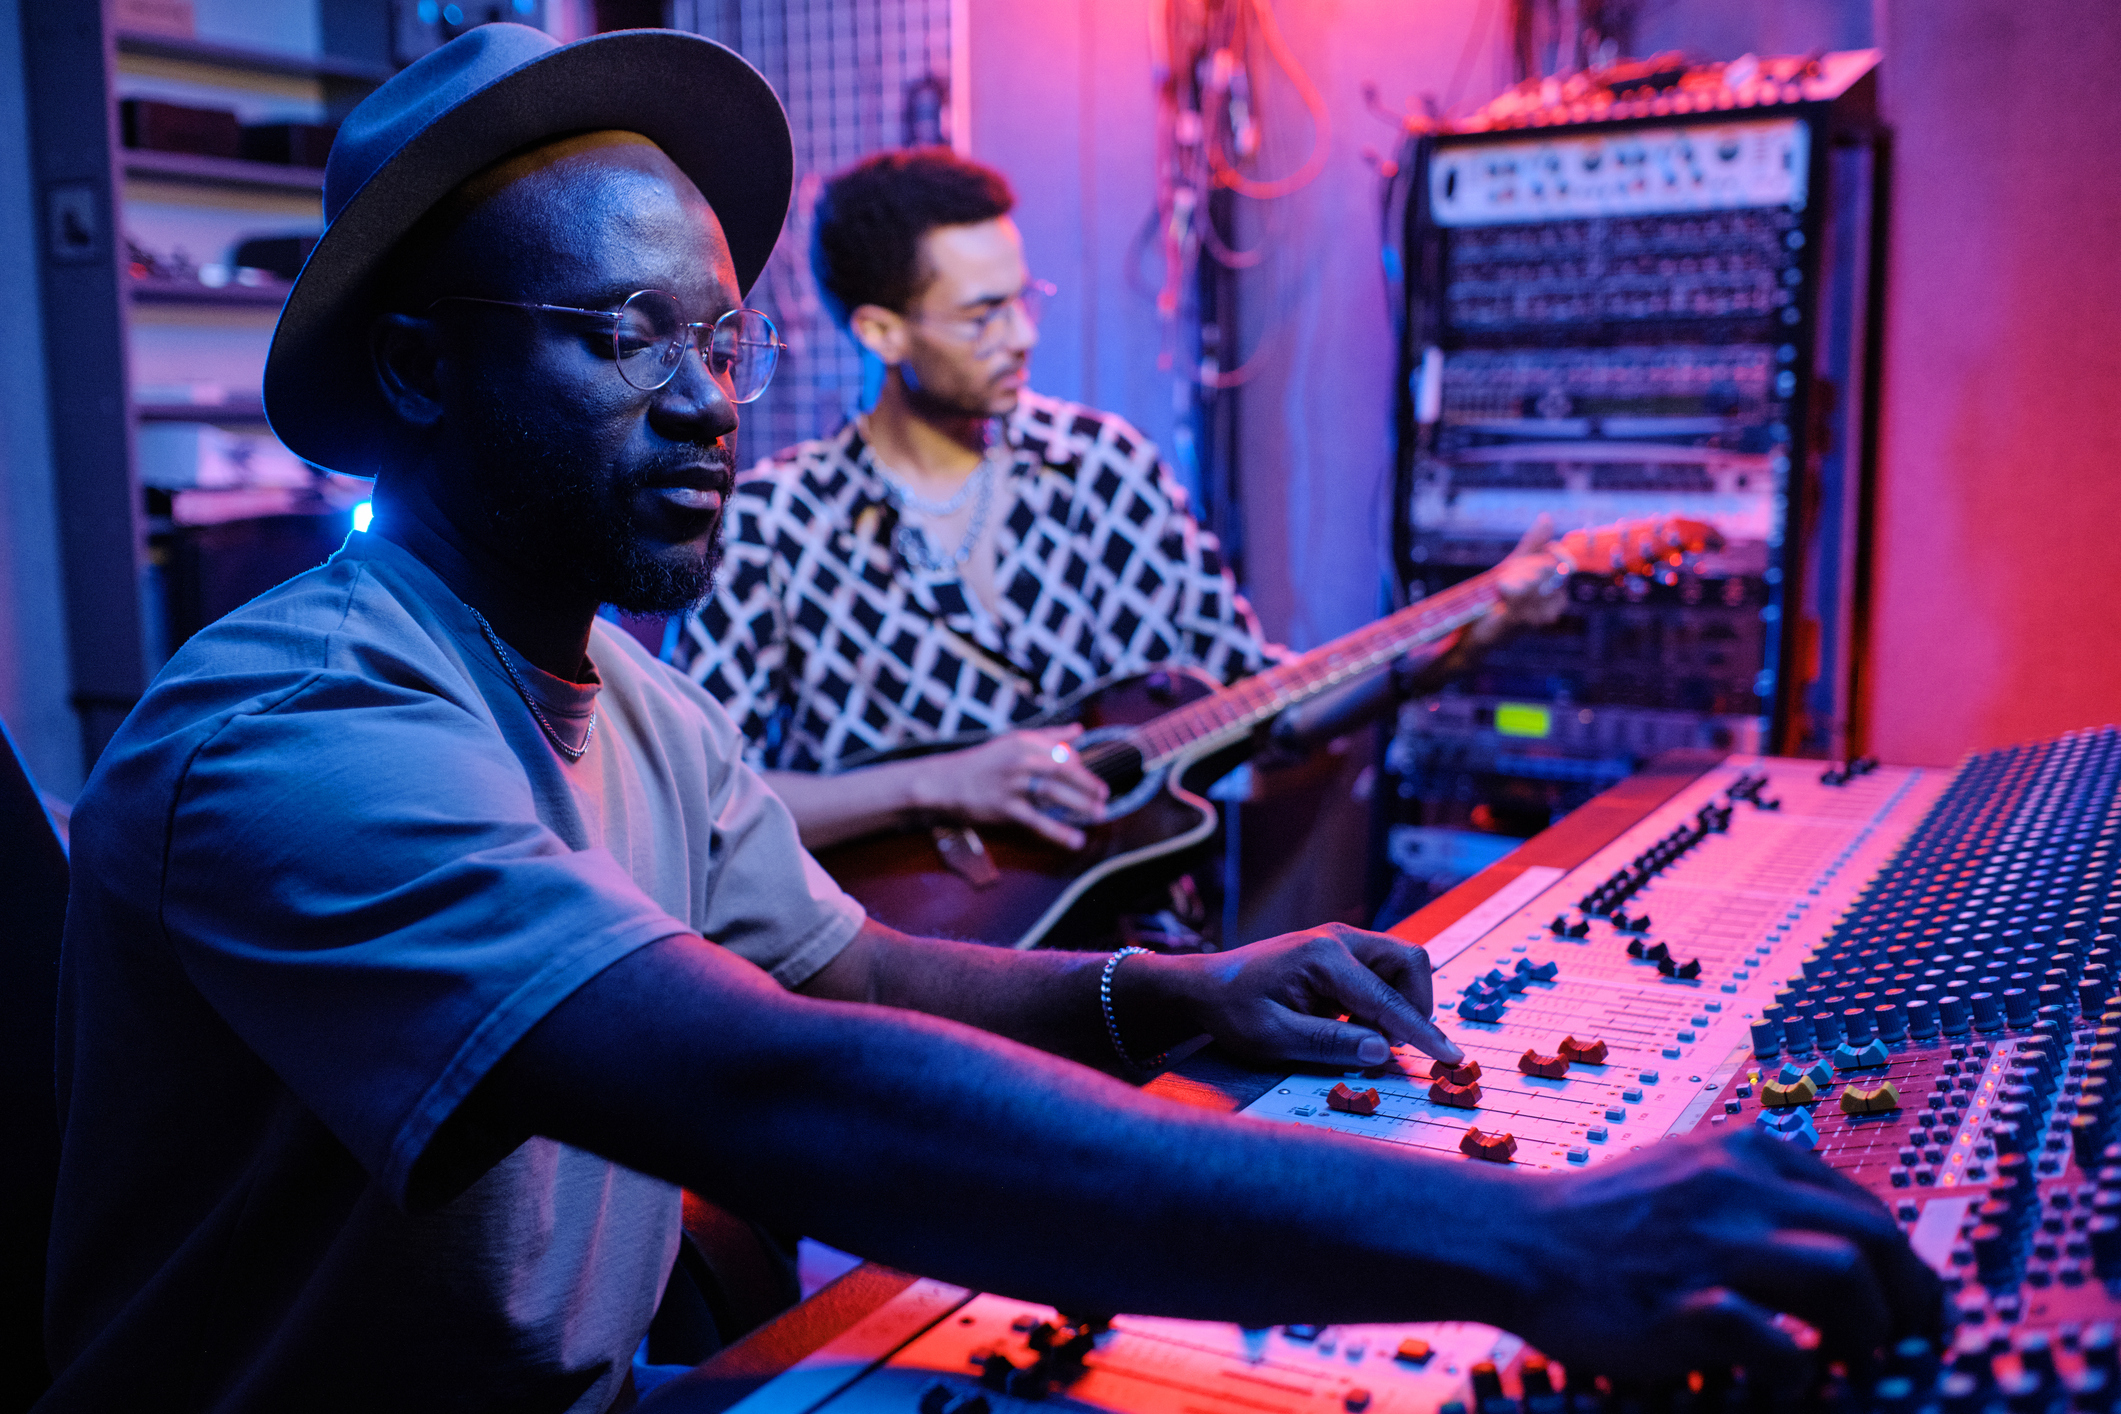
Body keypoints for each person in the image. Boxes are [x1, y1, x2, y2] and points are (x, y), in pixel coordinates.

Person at [42, 25, 1937, 1413]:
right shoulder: (293, 728)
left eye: (723, 339)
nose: (709, 402)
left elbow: (851, 972)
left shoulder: (641, 699)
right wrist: (1537, 1238)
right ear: (419, 370)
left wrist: (1167, 995)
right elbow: (777, 1080)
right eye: (622, 337)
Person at [669, 148, 1564, 855]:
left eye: (1024, 299)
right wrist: (939, 783)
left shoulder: (1105, 471)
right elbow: (698, 801)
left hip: (1125, 949)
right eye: (983, 314)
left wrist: (1452, 649)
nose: (1022, 336)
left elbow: (1263, 708)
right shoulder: (775, 524)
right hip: (895, 974)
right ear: (880, 331)